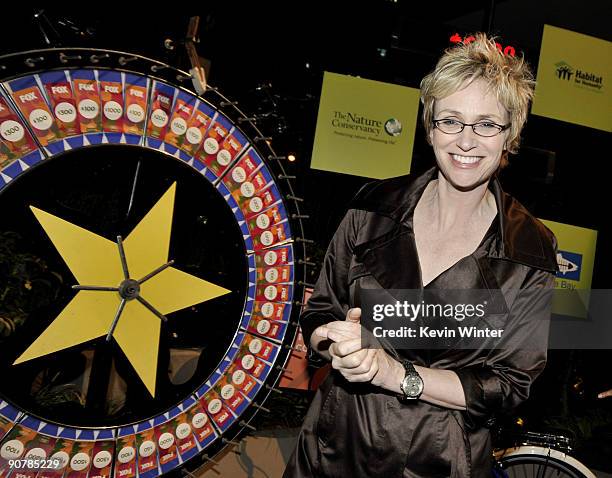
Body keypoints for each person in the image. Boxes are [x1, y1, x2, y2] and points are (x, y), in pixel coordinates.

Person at [283, 33, 558, 477]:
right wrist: (337, 345)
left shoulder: (530, 251)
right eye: (451, 120)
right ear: (430, 127)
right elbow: (320, 313)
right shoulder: (371, 209)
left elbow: (509, 383)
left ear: (511, 136)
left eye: (487, 124)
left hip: (441, 457)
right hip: (336, 444)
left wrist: (397, 375)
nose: (466, 141)